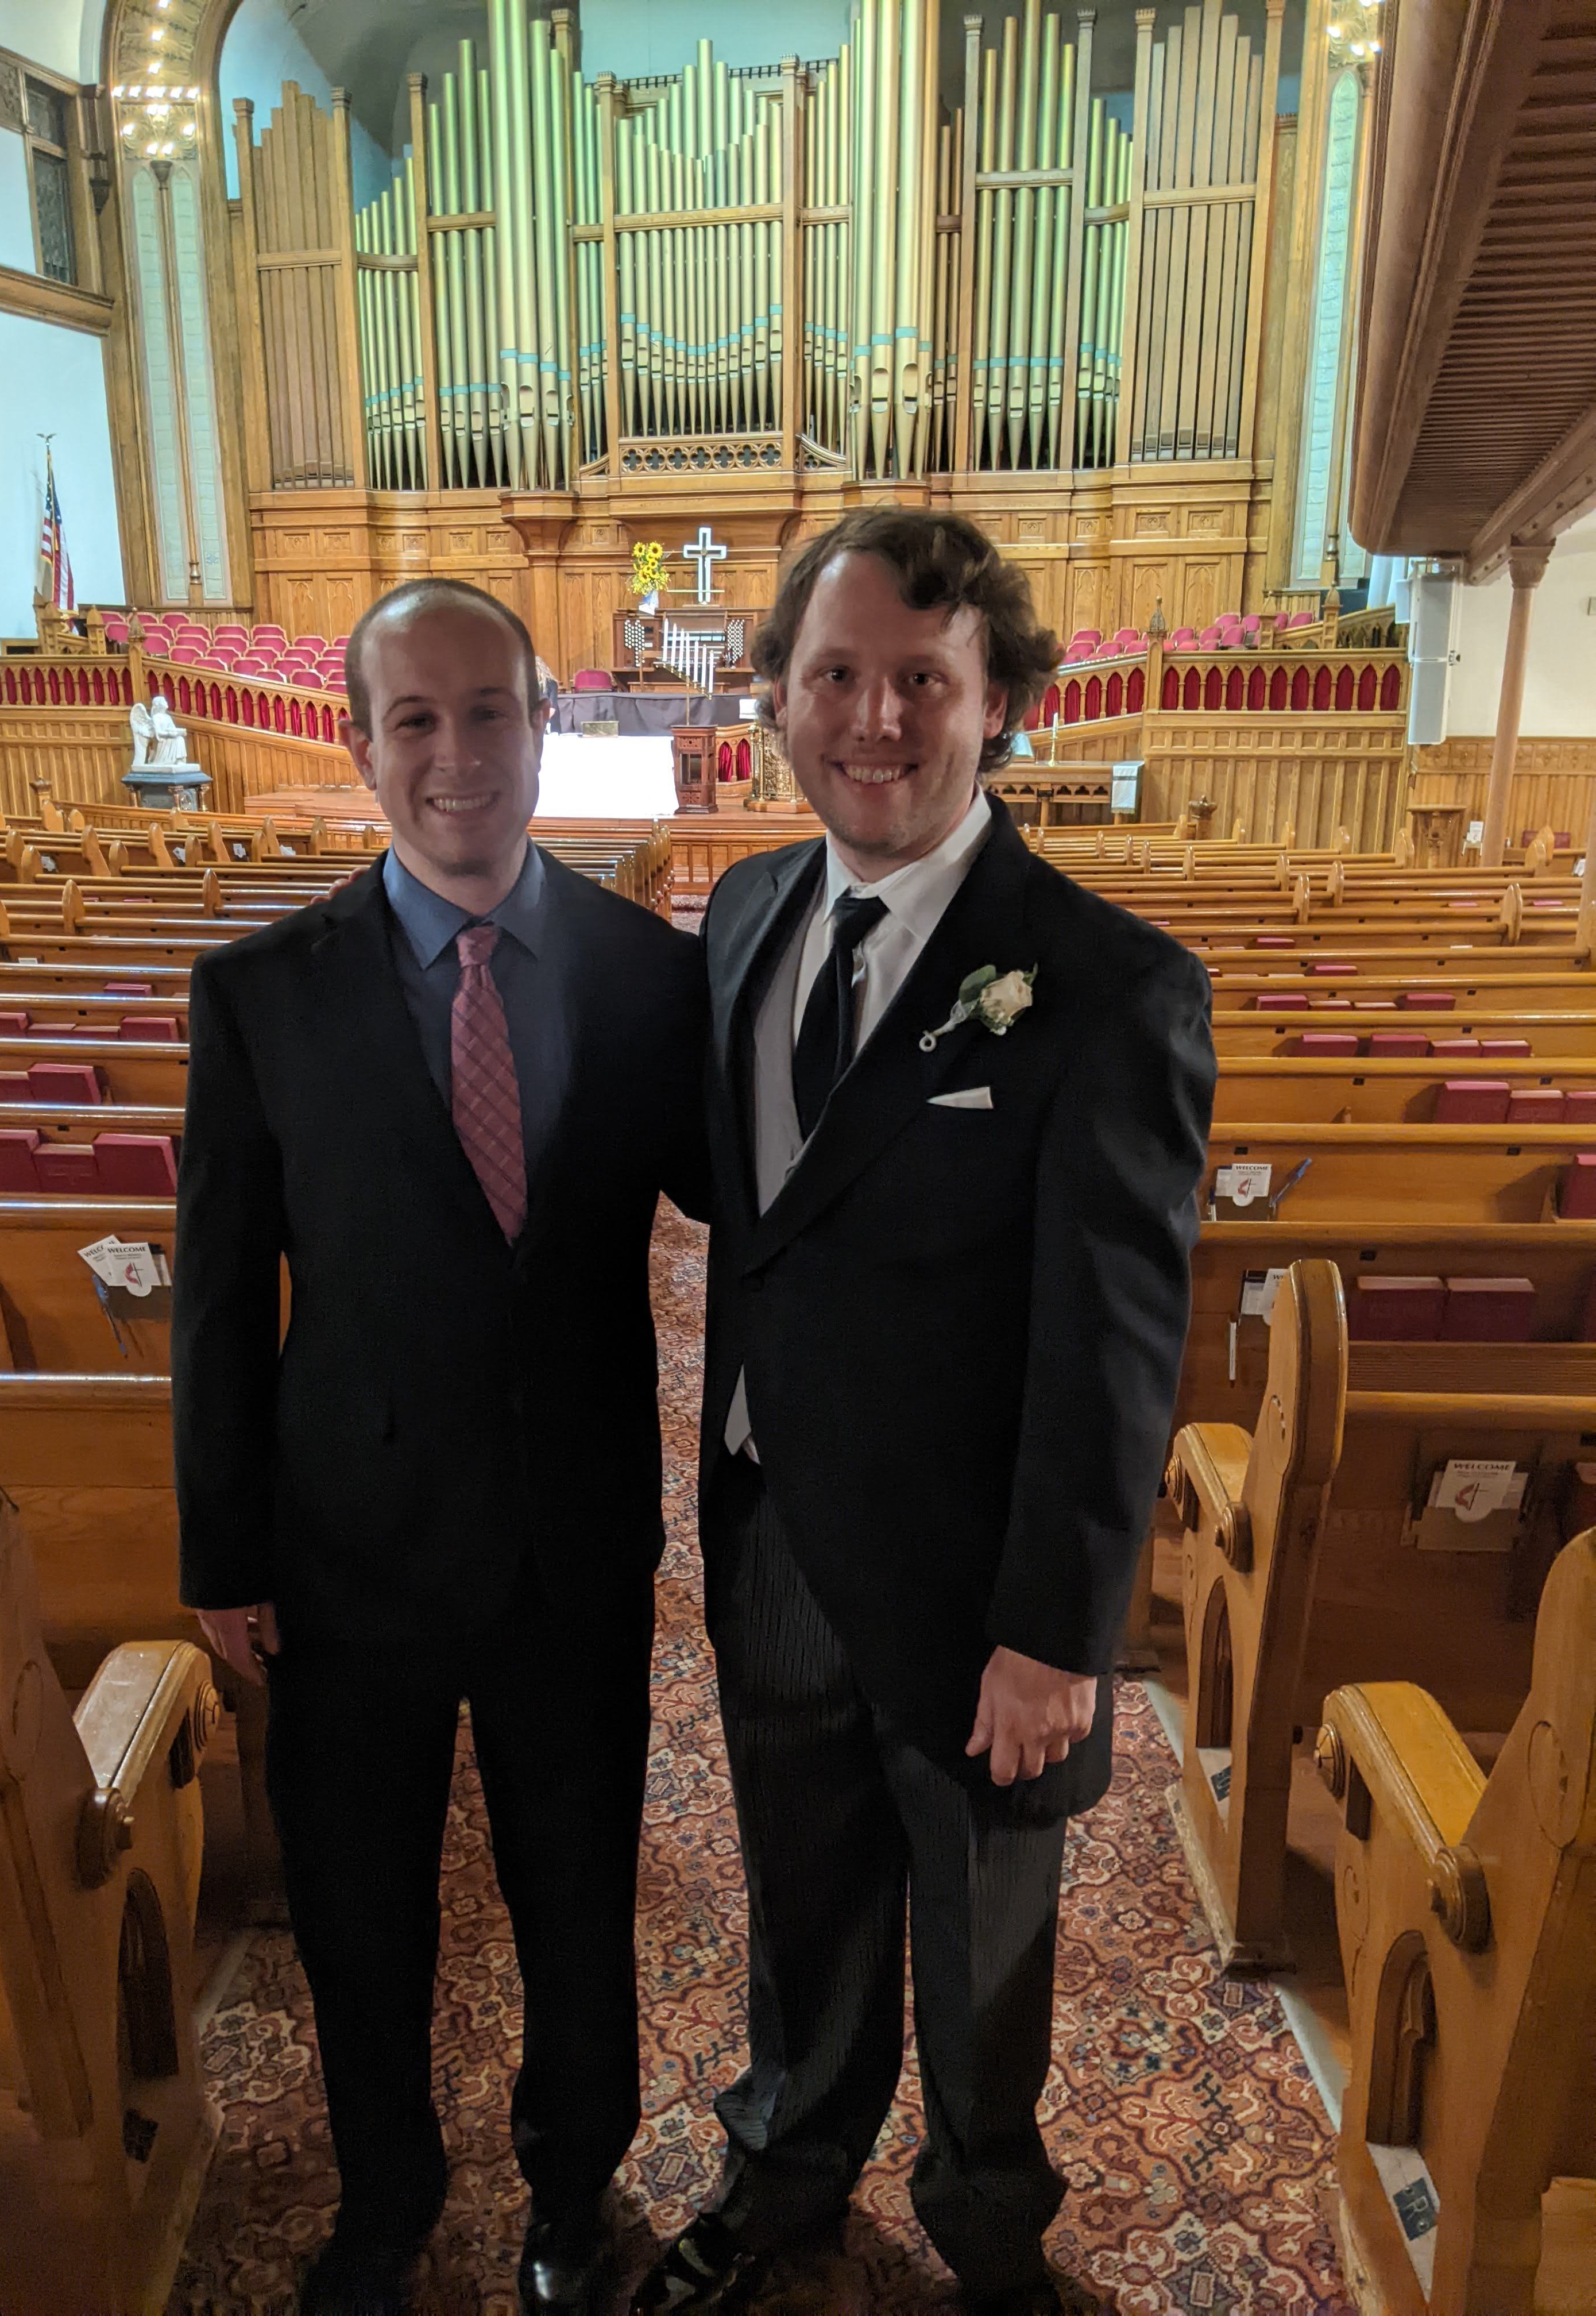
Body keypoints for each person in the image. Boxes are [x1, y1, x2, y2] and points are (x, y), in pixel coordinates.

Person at [635, 510, 1215, 2315]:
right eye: (836, 674)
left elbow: (1117, 1342)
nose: (874, 719)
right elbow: (751, 1200)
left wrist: (1058, 1630)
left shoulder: (1106, 985)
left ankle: (987, 2229)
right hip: (775, 1532)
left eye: (921, 680)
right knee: (802, 1895)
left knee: (982, 1948)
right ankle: (791, 2165)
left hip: (980, 1592)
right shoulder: (746, 913)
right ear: (778, 697)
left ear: (1001, 702)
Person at [173, 578, 707, 2316]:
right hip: (349, 1544)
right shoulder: (259, 994)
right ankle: (386, 2201)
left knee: (577, 1891)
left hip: (574, 1533)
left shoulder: (650, 975)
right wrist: (221, 1549)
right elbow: (218, 1293)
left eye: (490, 712)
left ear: (545, 728)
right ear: (361, 744)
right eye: (417, 717)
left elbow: (759, 1210)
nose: (457, 753)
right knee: (361, 1906)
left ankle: (574, 2192)